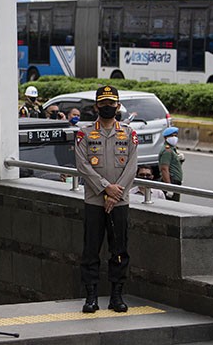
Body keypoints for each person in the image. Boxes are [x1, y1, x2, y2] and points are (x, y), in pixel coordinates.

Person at [75, 85, 138, 314]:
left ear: (118, 106)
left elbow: (132, 167)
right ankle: (91, 297)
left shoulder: (128, 134)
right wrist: (105, 189)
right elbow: (82, 166)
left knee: (119, 250)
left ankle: (116, 296)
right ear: (96, 106)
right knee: (91, 250)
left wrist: (115, 194)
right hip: (94, 202)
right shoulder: (84, 133)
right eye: (103, 103)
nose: (107, 107)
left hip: (119, 202)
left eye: (111, 103)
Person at [158, 127, 184, 202]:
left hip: (175, 182)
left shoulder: (172, 149)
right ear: (165, 138)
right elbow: (164, 169)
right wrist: (169, 187)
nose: (174, 138)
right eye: (172, 136)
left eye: (175, 136)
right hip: (171, 181)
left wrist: (181, 160)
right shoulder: (167, 151)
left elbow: (174, 165)